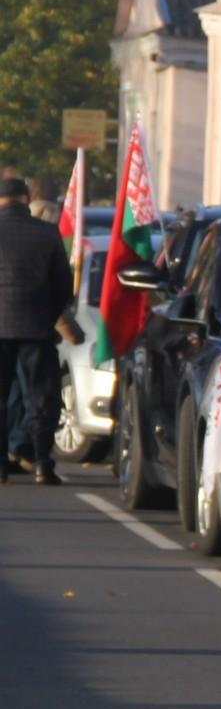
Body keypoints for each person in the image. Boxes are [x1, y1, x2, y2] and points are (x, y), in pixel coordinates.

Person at [0, 175, 77, 486]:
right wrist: (50, 315)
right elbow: (63, 284)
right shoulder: (47, 234)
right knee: (41, 397)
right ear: (26, 198)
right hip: (37, 326)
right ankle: (42, 463)